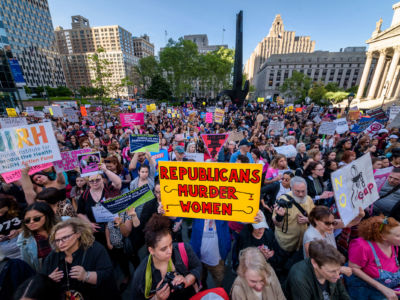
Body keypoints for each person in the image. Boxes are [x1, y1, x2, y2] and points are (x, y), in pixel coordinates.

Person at [42, 218, 119, 299]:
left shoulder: (95, 249)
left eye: (66, 237)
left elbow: (107, 276)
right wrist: (48, 280)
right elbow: (41, 280)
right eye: (57, 240)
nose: (61, 243)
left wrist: (86, 276)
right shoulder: (53, 256)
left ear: (78, 234)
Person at [132, 214, 202, 300]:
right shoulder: (140, 275)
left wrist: (187, 280)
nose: (170, 251)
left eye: (170, 244)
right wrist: (156, 298)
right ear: (151, 250)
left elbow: (198, 267)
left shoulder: (184, 249)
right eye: (163, 249)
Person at [347, 216, 400, 299]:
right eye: (398, 236)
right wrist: (382, 288)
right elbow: (353, 268)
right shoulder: (362, 246)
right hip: (365, 291)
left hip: (390, 289)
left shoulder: (394, 244)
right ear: (383, 237)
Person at [285, 240, 350, 300]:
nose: (338, 276)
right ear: (314, 263)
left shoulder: (333, 270)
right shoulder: (299, 278)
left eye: (338, 269)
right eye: (332, 271)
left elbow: (343, 294)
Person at [77, 166, 121, 247]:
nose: (95, 183)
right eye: (91, 181)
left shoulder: (108, 188)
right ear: (88, 182)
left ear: (102, 179)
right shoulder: (85, 195)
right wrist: (89, 223)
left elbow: (118, 182)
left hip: (113, 228)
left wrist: (105, 170)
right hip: (96, 231)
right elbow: (80, 213)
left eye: (97, 180)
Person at [272, 176, 314, 255]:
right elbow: (276, 223)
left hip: (303, 243)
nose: (301, 194)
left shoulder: (309, 199)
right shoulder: (282, 200)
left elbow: (315, 216)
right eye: (297, 191)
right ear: (291, 188)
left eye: (303, 191)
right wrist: (279, 216)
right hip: (286, 244)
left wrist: (308, 219)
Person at [17, 202, 58, 271]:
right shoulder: (24, 237)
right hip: (45, 273)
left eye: (36, 218)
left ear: (47, 215)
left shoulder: (64, 225)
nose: (31, 222)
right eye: (27, 220)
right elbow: (28, 263)